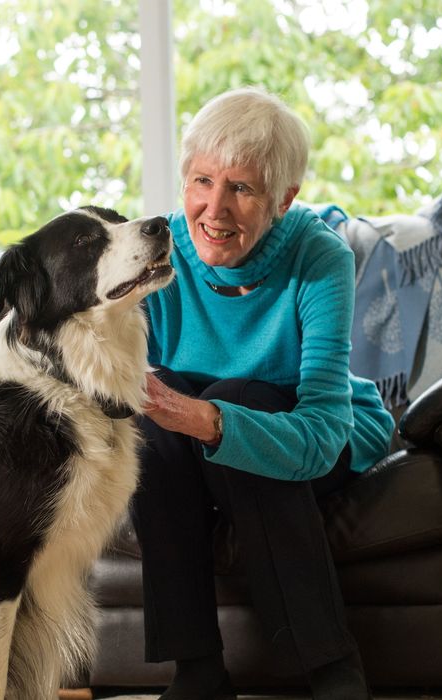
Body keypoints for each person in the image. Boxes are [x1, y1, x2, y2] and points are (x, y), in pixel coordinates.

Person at [132, 86, 395, 700]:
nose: (213, 209)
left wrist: (212, 421)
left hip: (313, 431)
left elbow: (322, 436)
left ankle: (331, 667)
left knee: (239, 396)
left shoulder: (319, 257)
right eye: (201, 181)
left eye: (241, 189)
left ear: (284, 199)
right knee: (149, 414)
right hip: (196, 439)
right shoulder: (157, 253)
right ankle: (197, 670)